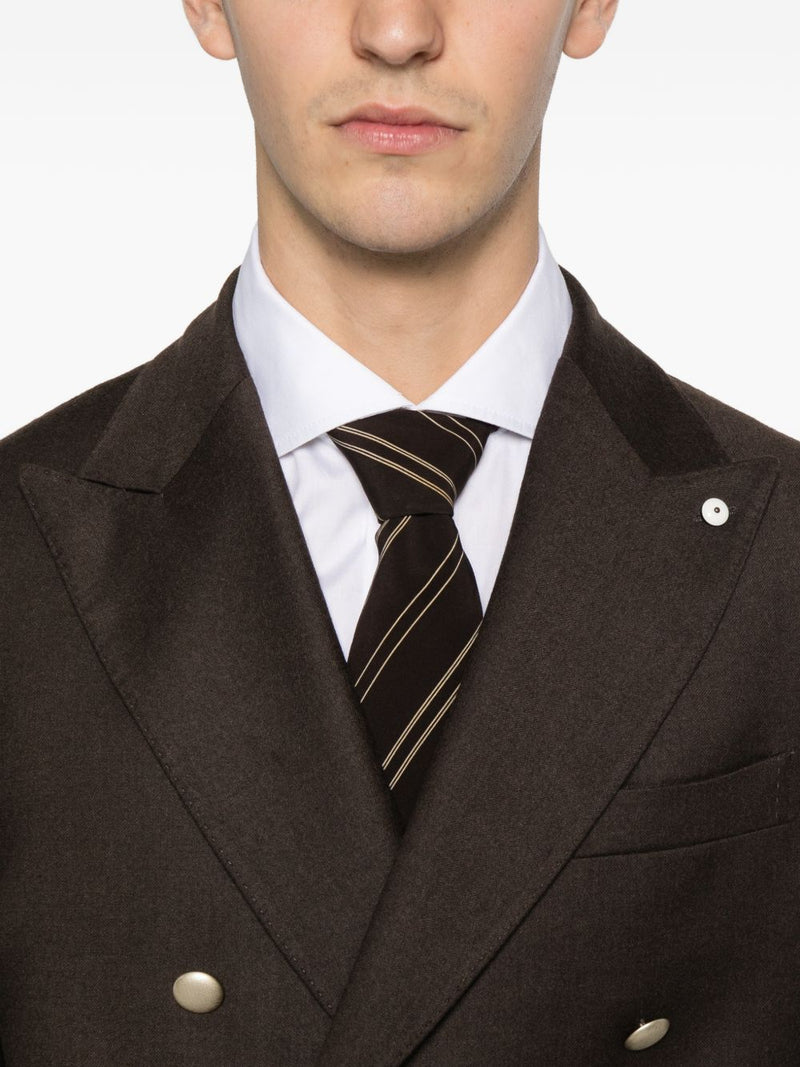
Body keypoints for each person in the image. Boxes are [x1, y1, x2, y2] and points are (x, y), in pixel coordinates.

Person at [1, 0, 798, 1062]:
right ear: (204, 4)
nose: (394, 30)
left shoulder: (780, 552)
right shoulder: (17, 554)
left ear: (594, 3)